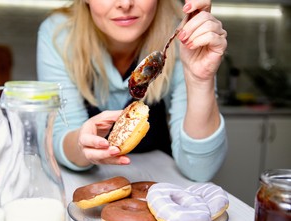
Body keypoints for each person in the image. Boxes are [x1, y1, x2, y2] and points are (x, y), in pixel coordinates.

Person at [36, 0, 227, 182]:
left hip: (160, 186)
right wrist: (81, 144)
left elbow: (200, 169)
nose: (125, 4)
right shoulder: (58, 34)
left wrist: (200, 80)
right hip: (83, 182)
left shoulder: (185, 35)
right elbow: (62, 135)